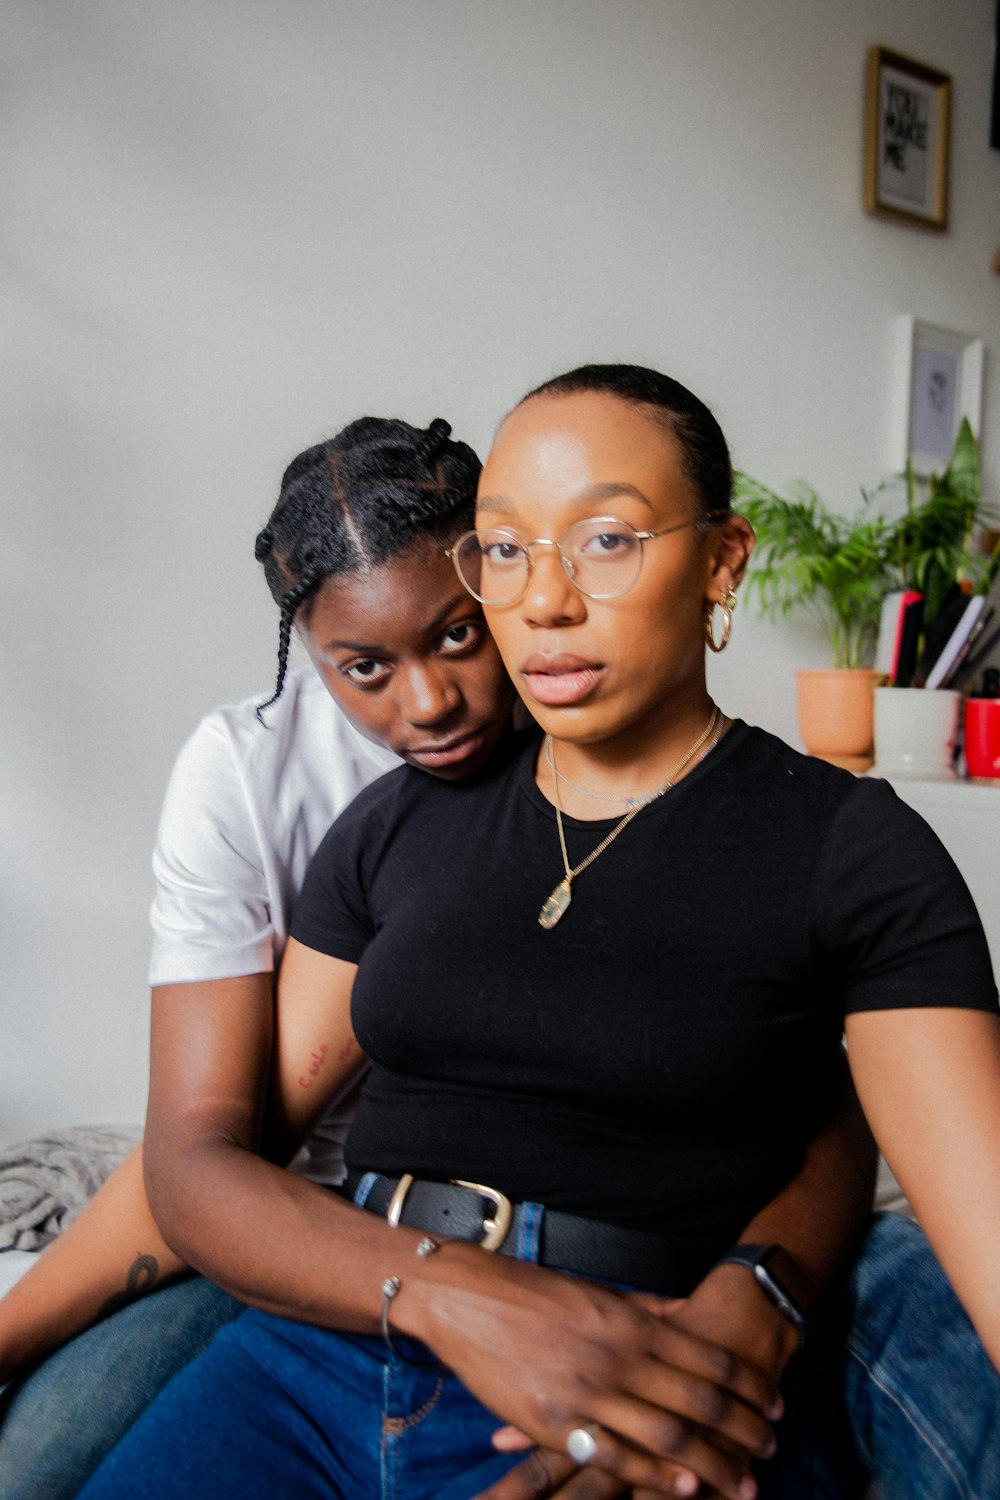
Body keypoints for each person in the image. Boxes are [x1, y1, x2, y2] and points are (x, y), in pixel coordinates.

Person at [69, 366, 1000, 1500]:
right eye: (504, 549)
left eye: (605, 539)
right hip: (318, 1357)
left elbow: (929, 1179)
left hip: (643, 1376)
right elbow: (206, 1155)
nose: (544, 601)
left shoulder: (851, 847)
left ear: (720, 559)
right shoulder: (388, 827)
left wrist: (737, 1316)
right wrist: (463, 1298)